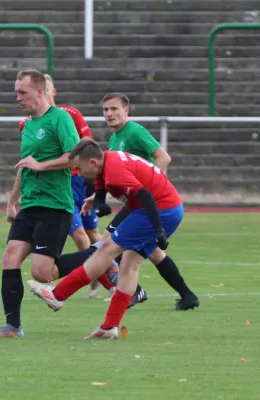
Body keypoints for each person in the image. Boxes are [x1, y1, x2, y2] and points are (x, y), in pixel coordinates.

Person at [27, 138, 185, 339]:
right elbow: (101, 185)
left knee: (106, 248)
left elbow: (146, 197)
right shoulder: (106, 160)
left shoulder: (114, 172)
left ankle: (58, 295)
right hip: (170, 208)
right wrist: (99, 202)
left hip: (158, 210)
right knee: (128, 265)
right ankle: (109, 327)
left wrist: (158, 230)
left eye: (79, 168)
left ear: (92, 162)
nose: (78, 173)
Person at [0, 69, 82, 339]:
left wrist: (42, 165)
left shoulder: (60, 118)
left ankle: (100, 256)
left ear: (40, 91)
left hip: (55, 205)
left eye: (22, 92)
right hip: (30, 204)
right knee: (10, 258)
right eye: (16, 92)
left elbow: (74, 157)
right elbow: (25, 167)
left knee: (42, 273)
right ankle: (12, 327)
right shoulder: (27, 125)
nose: (18, 97)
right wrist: (11, 201)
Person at [98, 93, 199, 311]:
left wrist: (154, 185)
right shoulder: (115, 138)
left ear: (127, 111)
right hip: (136, 203)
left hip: (144, 201)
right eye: (105, 109)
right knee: (152, 251)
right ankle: (187, 296)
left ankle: (135, 291)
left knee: (106, 243)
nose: (109, 114)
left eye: (114, 109)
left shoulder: (135, 131)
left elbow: (163, 157)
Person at [20, 75, 103, 298]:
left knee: (92, 232)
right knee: (78, 234)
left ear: (49, 91)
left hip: (78, 181)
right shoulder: (27, 123)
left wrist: (93, 183)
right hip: (49, 192)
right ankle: (95, 271)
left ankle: (101, 267)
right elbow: (28, 162)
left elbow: (85, 150)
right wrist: (13, 199)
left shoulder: (69, 115)